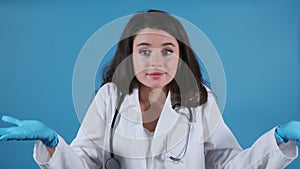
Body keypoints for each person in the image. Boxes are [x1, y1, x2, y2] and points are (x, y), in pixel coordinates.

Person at [0, 9, 299, 169]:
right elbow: (84, 164)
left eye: (167, 51)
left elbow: (226, 164)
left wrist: (277, 140)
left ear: (181, 57)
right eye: (144, 51)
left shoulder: (200, 102)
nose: (156, 61)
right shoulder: (109, 99)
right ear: (129, 56)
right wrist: (53, 143)